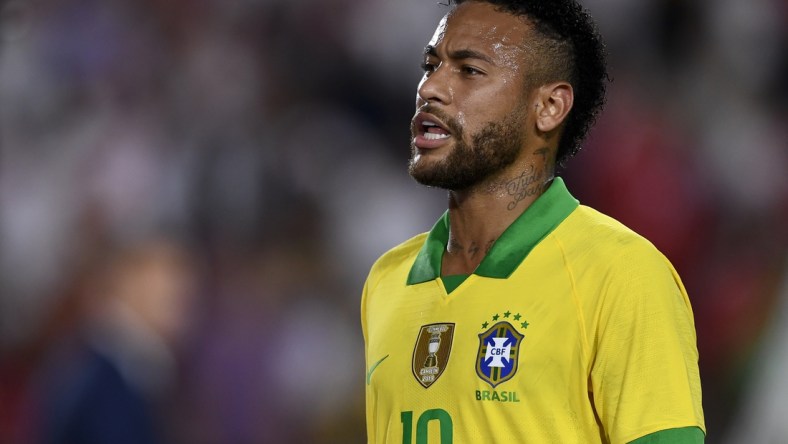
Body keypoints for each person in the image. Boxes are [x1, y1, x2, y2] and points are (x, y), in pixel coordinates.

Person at [360, 0, 705, 443]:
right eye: (431, 65)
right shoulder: (386, 281)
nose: (431, 88)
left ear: (549, 107)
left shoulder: (622, 275)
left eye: (469, 70)